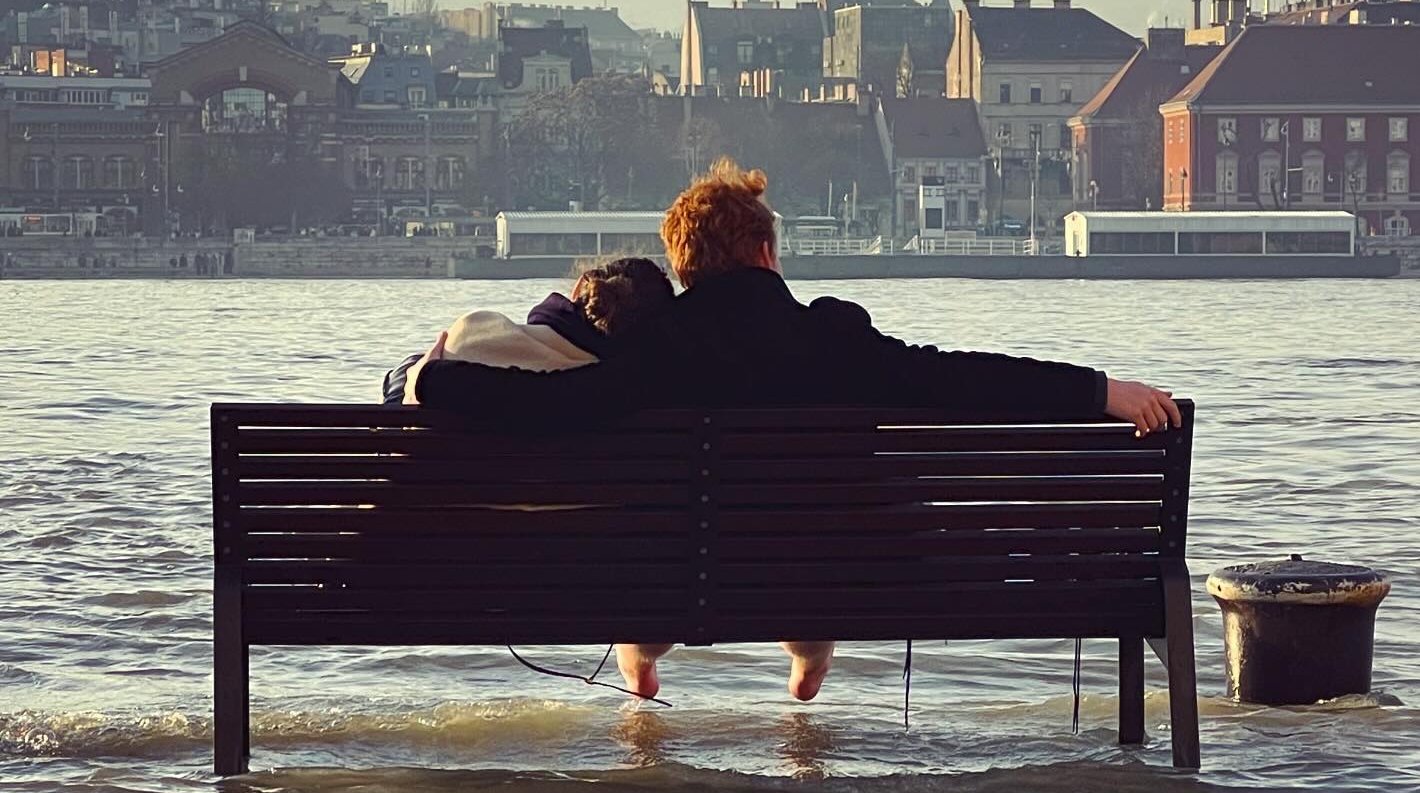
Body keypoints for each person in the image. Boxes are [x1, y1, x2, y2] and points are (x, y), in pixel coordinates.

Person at [414, 162, 1180, 699]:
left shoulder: (649, 351)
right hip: (826, 570)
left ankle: (644, 648)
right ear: (768, 251)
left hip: (676, 571)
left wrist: (435, 373)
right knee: (816, 521)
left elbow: (545, 411)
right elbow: (962, 376)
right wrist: (1103, 390)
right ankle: (808, 645)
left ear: (683, 266)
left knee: (677, 537)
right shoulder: (835, 336)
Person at [383, 255, 674, 406]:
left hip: (442, 516)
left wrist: (414, 377)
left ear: (581, 290)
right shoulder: (615, 391)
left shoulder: (476, 330)